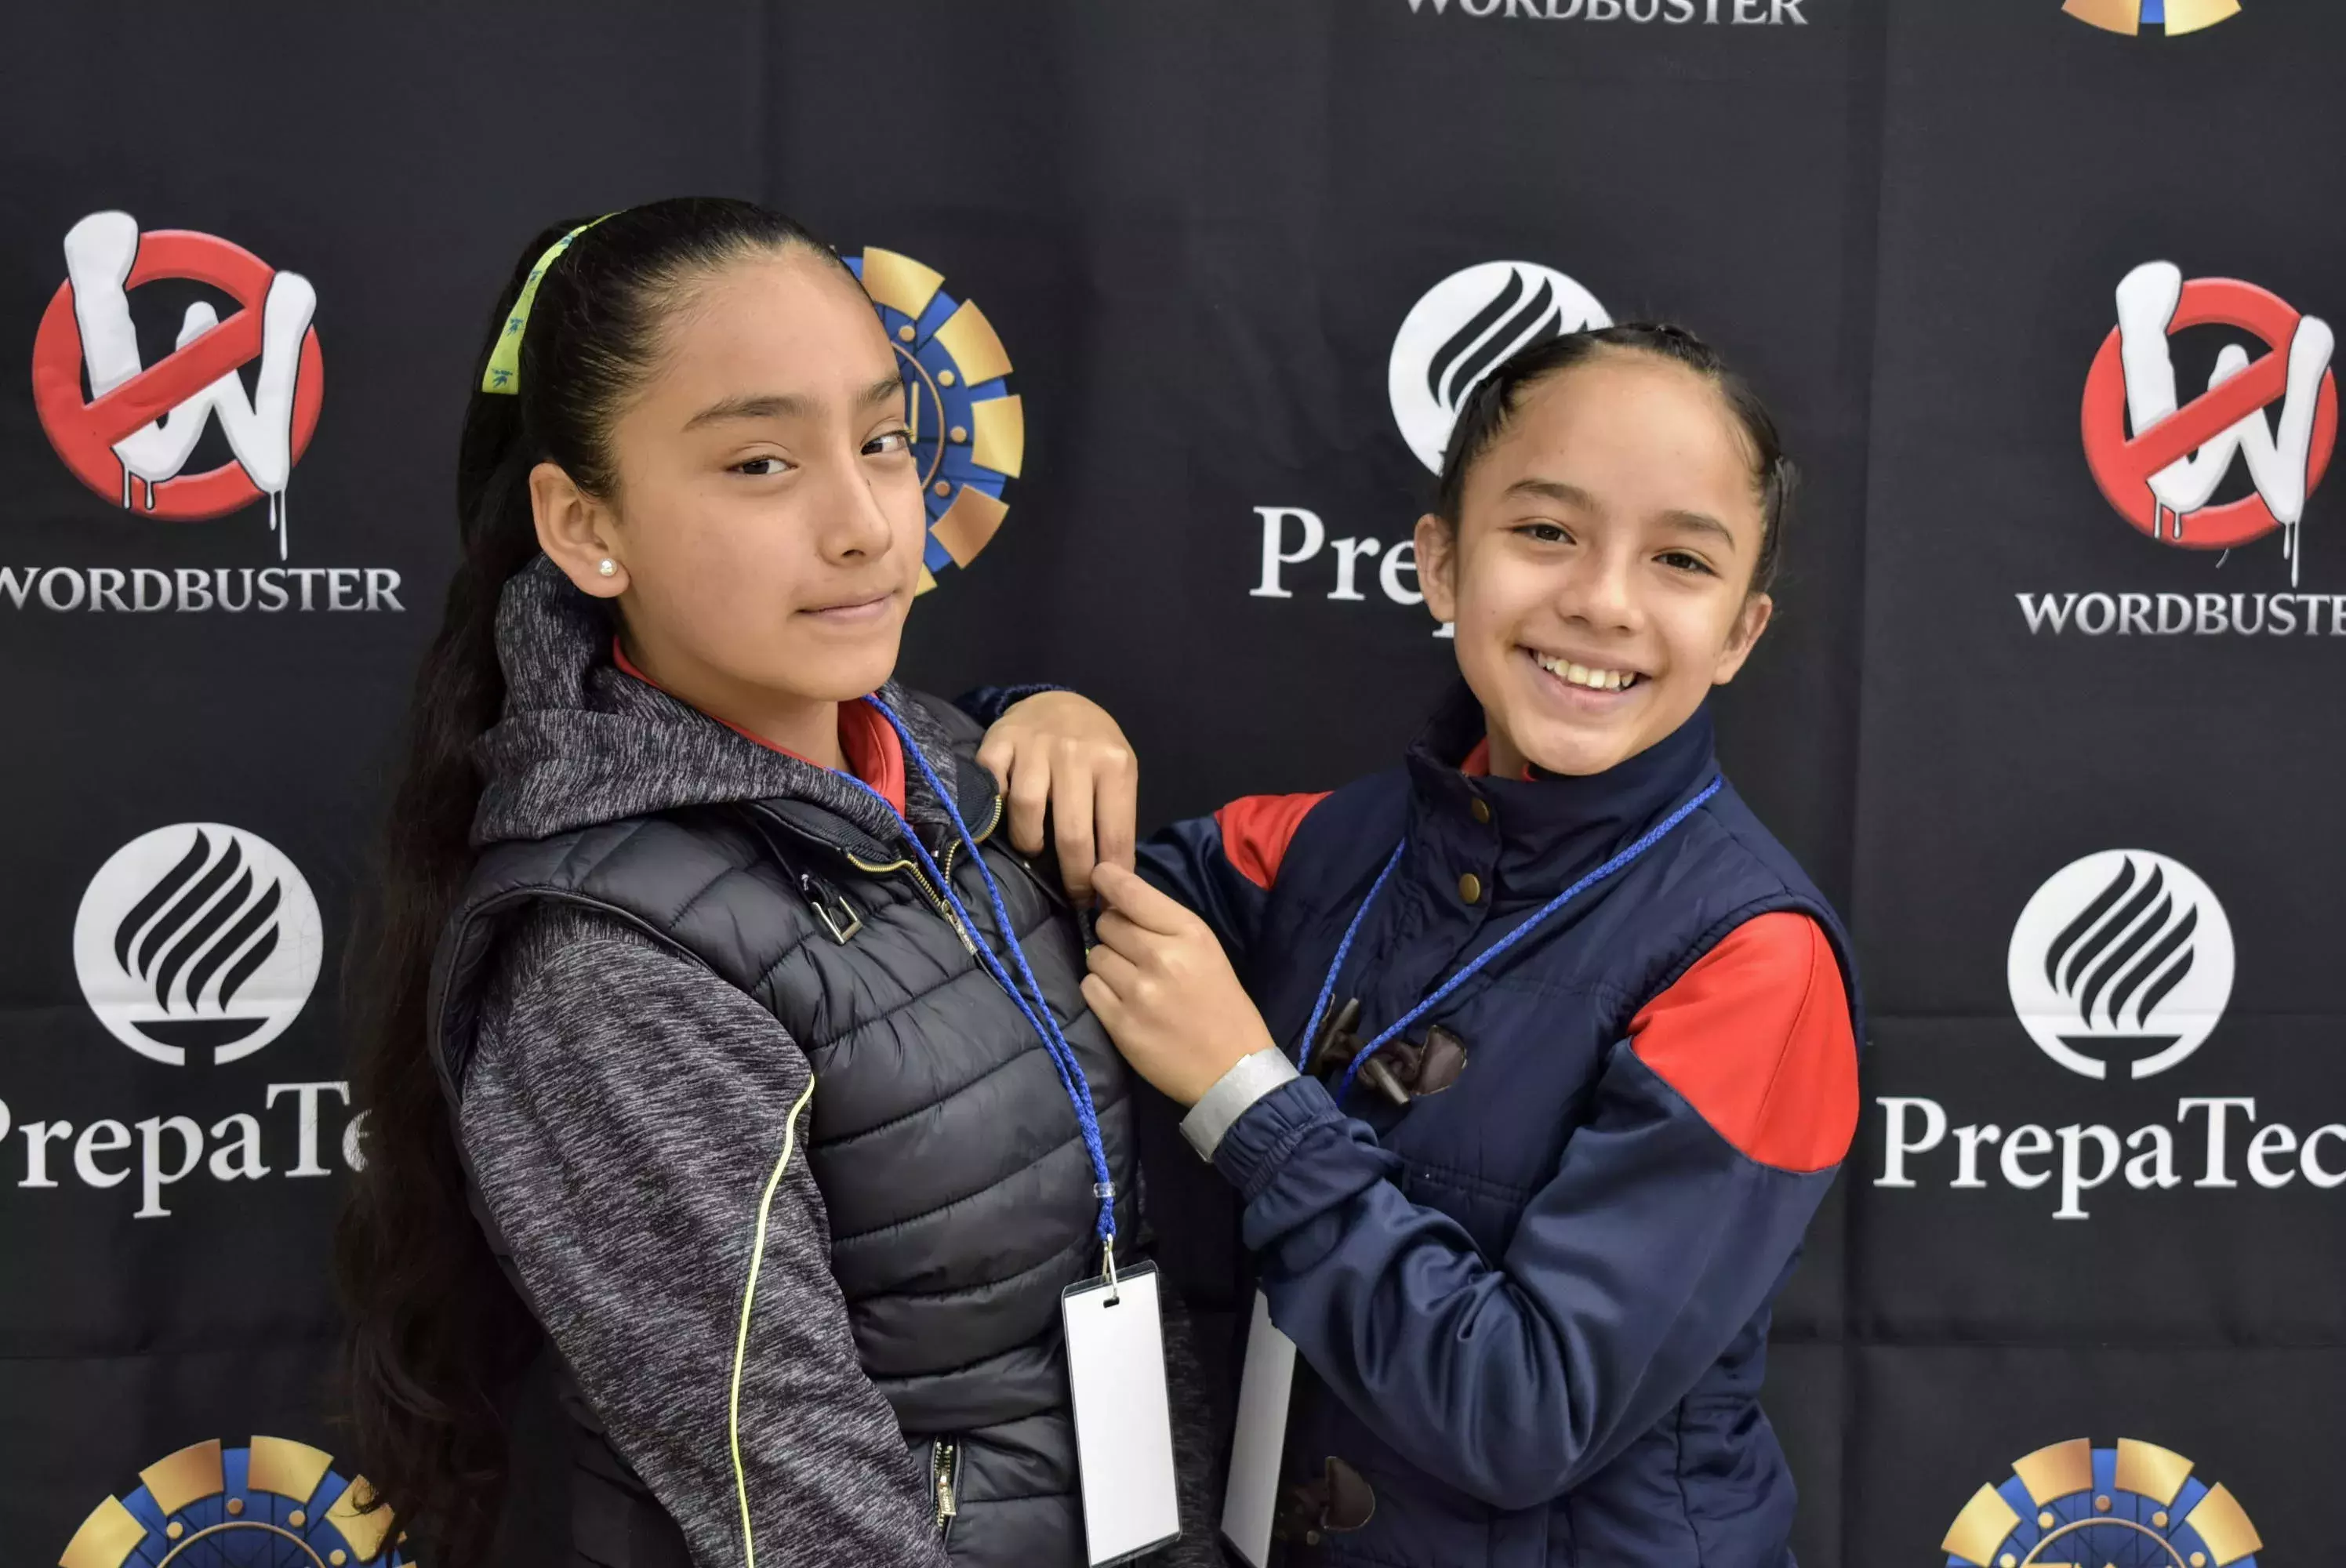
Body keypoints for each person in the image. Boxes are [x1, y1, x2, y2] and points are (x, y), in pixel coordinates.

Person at [334, 197, 1218, 1568]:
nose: (869, 524)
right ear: (584, 525)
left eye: (880, 440)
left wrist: (1041, 715)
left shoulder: (937, 766)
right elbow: (799, 1509)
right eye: (759, 464)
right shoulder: (611, 969)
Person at [1042, 324, 1862, 1566]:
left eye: (1681, 559)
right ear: (1439, 565)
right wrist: (1042, 724)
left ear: (1742, 633)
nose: (1601, 599)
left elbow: (1529, 1417)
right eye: (1546, 532)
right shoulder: (1321, 844)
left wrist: (1246, 1102)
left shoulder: (1758, 962)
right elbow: (1049, 894)